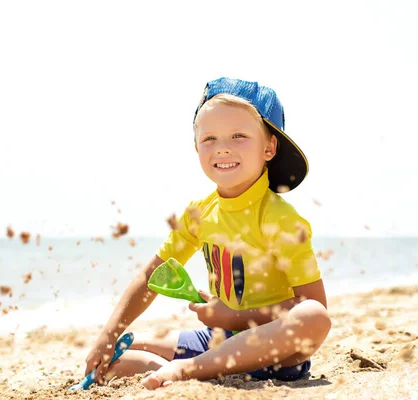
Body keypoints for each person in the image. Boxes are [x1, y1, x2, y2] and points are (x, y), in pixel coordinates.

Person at [84, 77, 331, 390]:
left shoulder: (280, 219)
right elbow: (151, 276)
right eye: (209, 138)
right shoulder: (199, 213)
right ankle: (178, 372)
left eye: (239, 135)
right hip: (220, 341)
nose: (222, 147)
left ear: (269, 147)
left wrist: (236, 318)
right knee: (122, 355)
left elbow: (313, 306)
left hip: (273, 352)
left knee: (315, 317)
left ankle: (187, 371)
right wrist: (107, 335)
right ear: (196, 145)